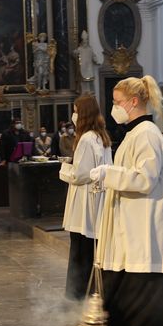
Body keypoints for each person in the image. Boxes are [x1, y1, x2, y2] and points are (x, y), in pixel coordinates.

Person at [61, 75, 163, 326]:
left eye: (117, 102)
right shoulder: (136, 133)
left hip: (145, 224)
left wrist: (106, 173)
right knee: (143, 285)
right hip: (135, 223)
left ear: (134, 102)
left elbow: (144, 179)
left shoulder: (146, 133)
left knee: (133, 284)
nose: (113, 107)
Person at [60, 95, 113, 300]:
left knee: (80, 252)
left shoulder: (86, 139)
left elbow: (80, 174)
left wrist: (63, 169)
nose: (73, 115)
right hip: (97, 197)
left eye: (75, 110)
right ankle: (93, 293)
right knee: (91, 250)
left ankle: (75, 297)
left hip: (84, 201)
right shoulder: (101, 136)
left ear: (82, 113)